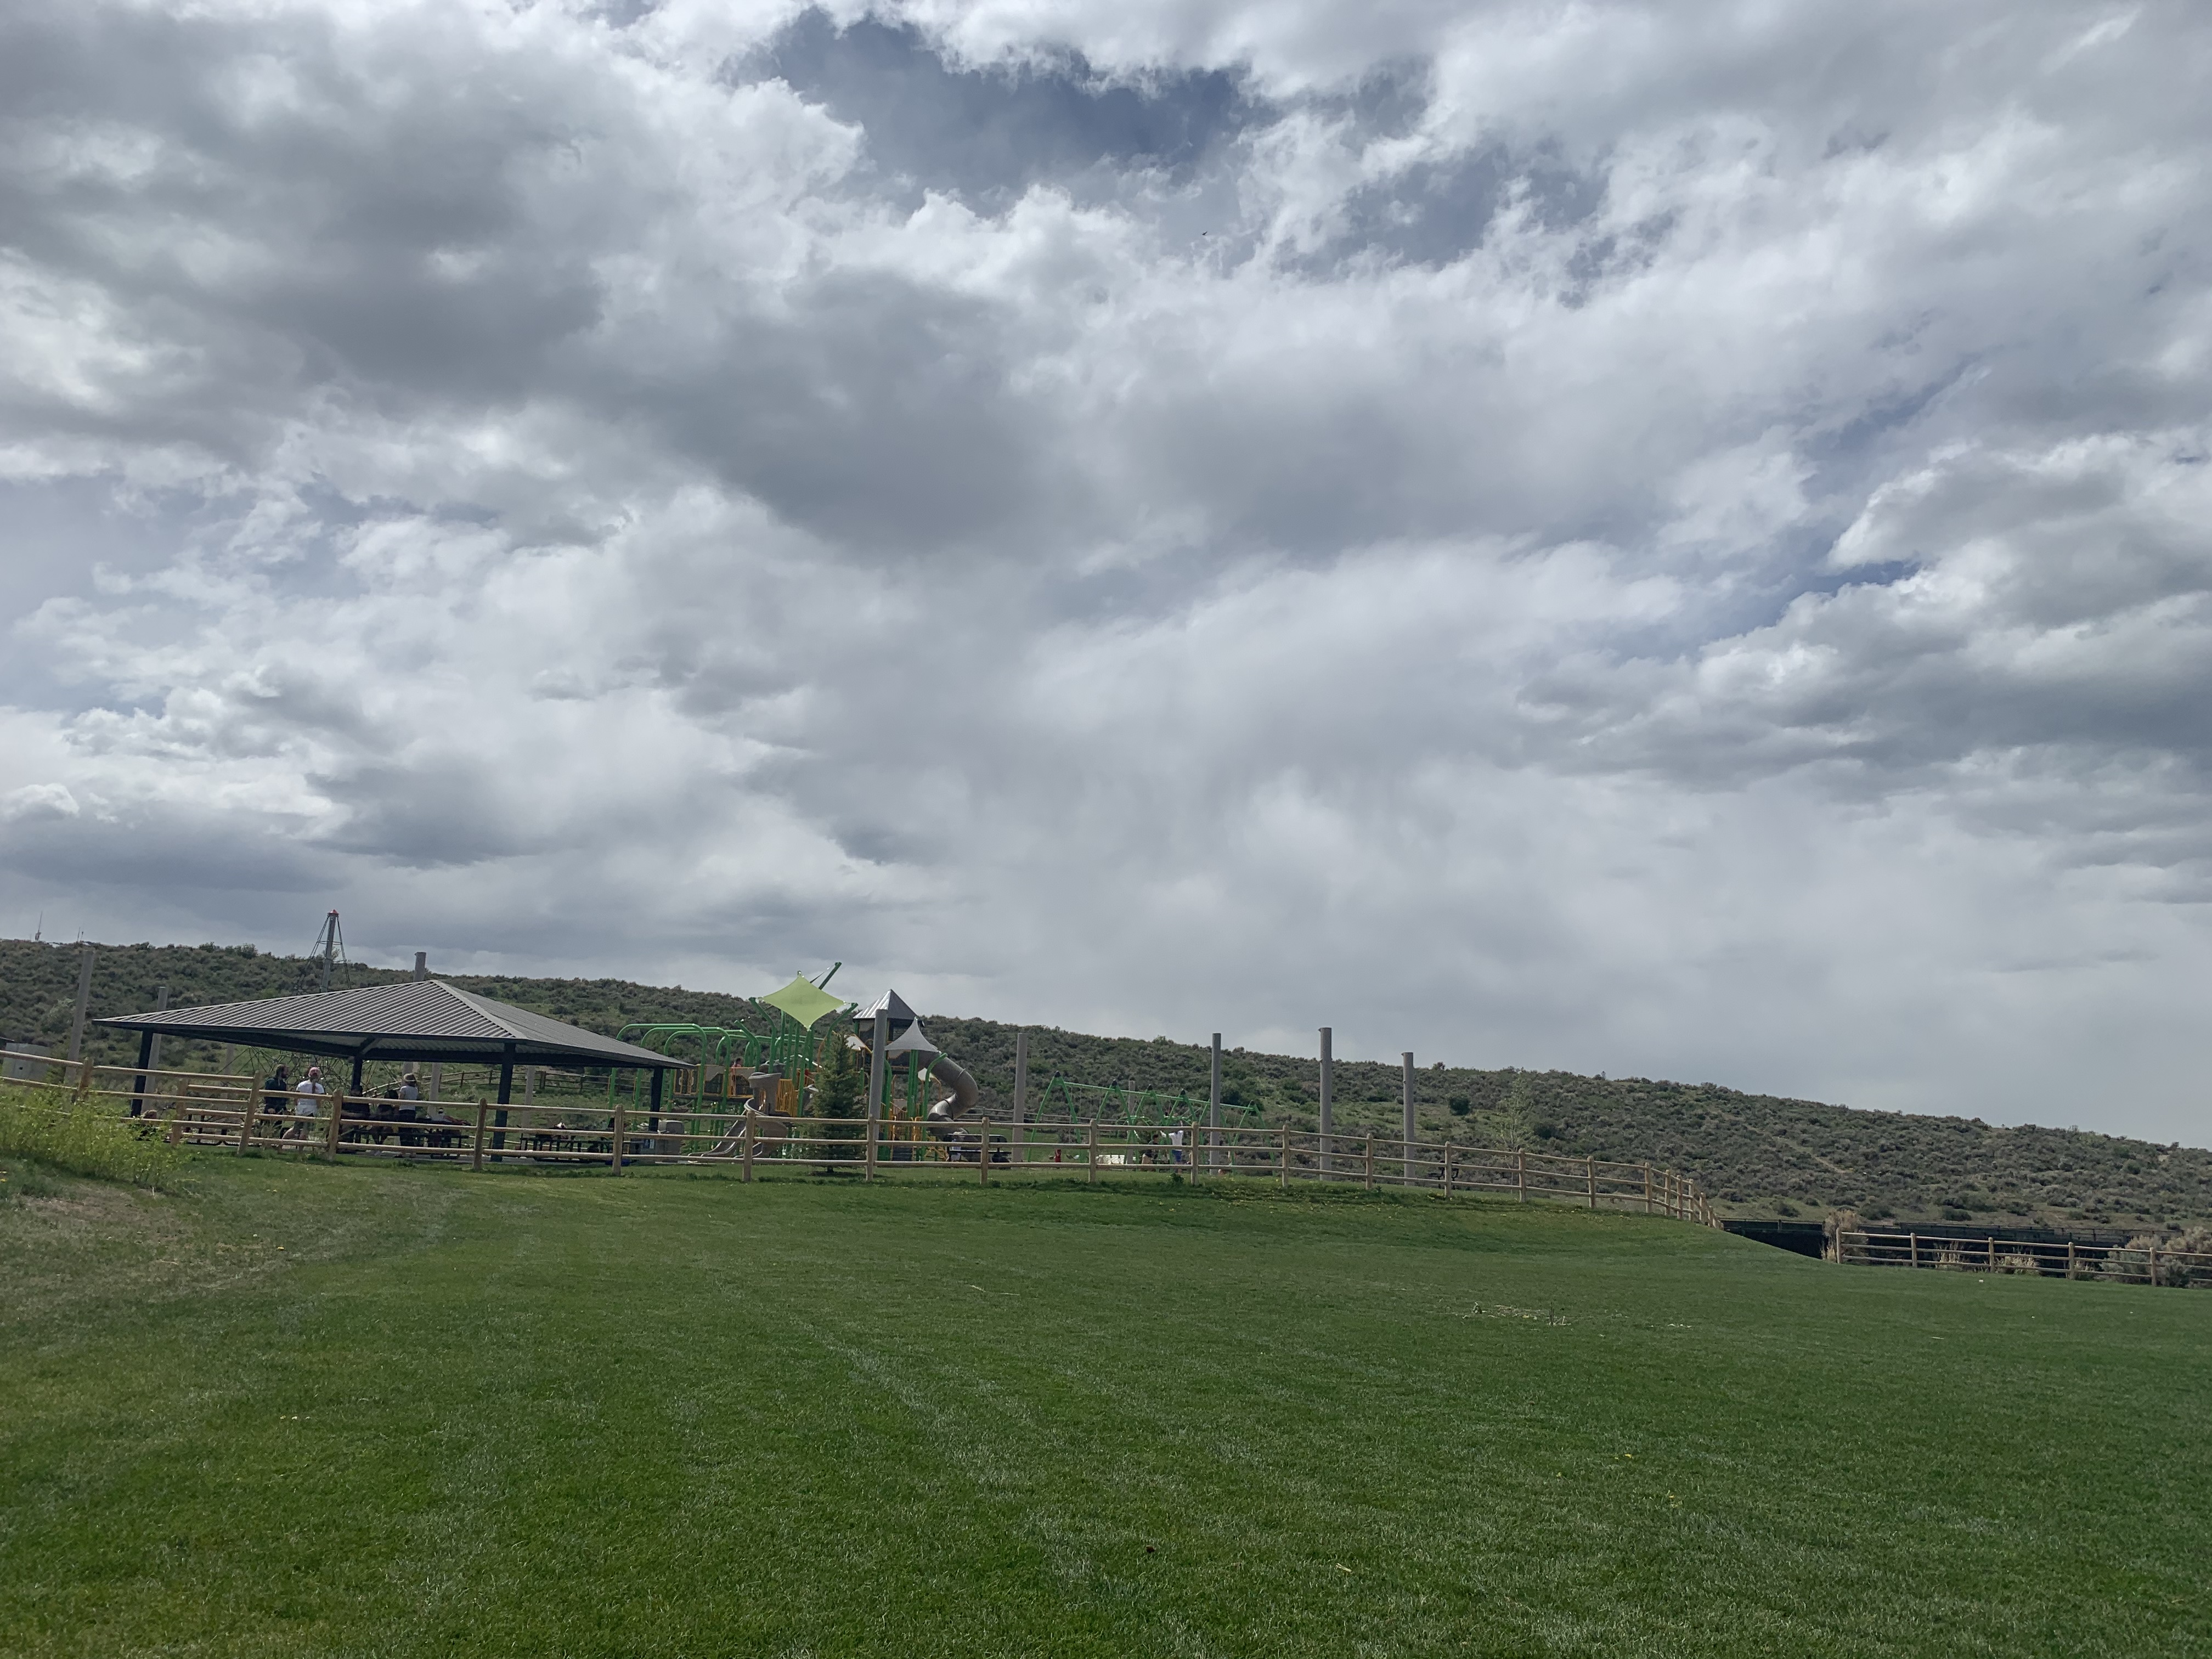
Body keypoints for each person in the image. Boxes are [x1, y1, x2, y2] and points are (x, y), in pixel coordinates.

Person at [293, 1065, 328, 1139]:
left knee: (295, 1129)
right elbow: (319, 1101)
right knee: (305, 1131)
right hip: (311, 1111)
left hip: (300, 1109)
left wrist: (296, 1107)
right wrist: (320, 1110)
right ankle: (301, 1149)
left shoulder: (301, 1085)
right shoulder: (320, 1087)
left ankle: (281, 1144)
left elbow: (296, 1098)